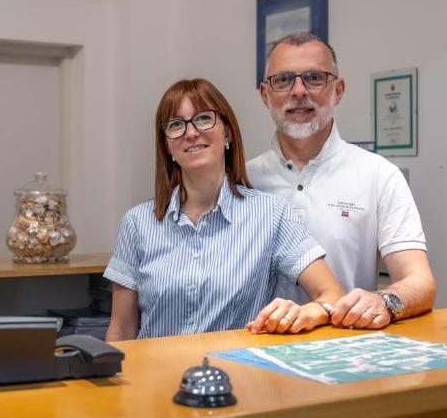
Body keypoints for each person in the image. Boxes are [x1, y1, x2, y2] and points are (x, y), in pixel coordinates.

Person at [104, 78, 344, 341]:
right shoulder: (137, 223)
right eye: (176, 125)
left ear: (227, 133)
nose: (191, 132)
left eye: (204, 119)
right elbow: (121, 330)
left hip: (236, 377)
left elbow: (332, 294)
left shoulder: (271, 214)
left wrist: (306, 312)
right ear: (166, 146)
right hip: (155, 378)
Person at [247, 32, 436, 330]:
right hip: (254, 349)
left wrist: (385, 301)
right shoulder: (243, 180)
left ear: (338, 90)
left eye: (313, 77)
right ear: (265, 95)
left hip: (345, 351)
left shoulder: (379, 175)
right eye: (283, 80)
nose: (298, 91)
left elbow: (420, 282)